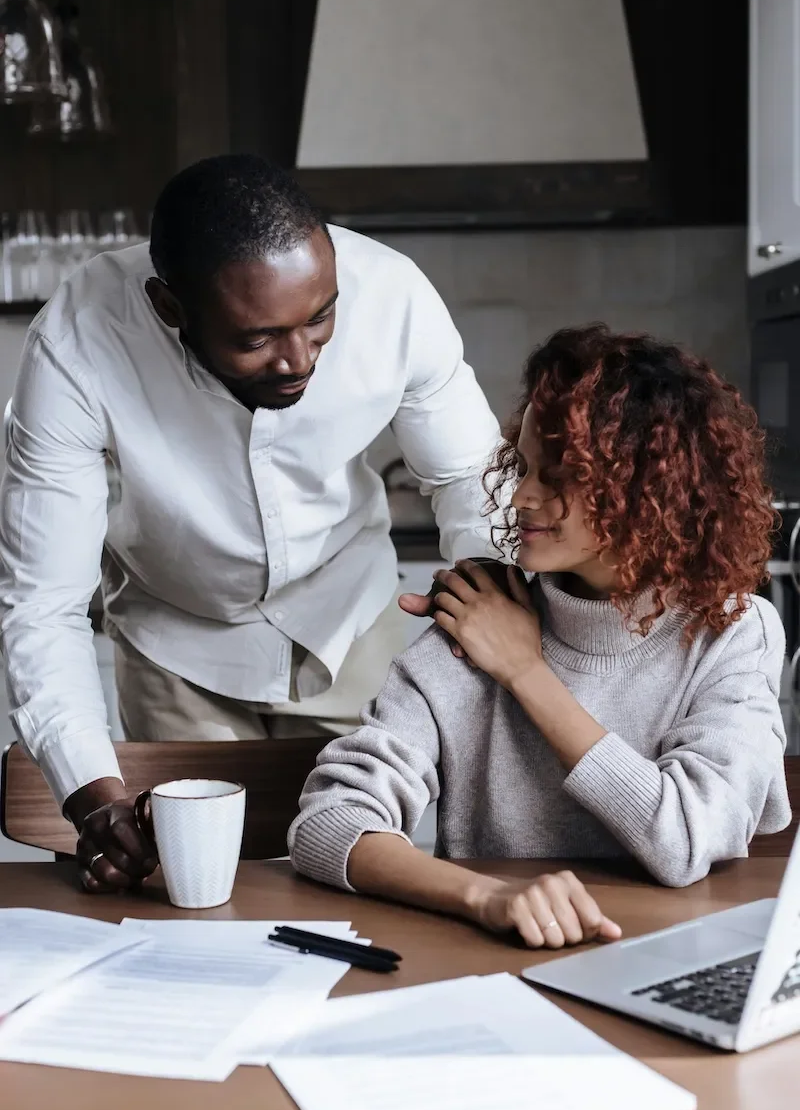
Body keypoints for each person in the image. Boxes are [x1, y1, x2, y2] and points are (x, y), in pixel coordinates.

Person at [0, 154, 500, 893]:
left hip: (350, 624)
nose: (300, 357)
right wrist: (89, 791)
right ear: (171, 308)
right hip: (180, 645)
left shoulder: (394, 297)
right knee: (196, 894)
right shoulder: (77, 344)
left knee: (361, 875)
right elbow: (43, 602)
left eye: (321, 317)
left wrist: (493, 606)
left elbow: (469, 479)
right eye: (257, 338)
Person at [289, 324, 791, 949]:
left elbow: (685, 838)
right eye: (525, 466)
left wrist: (527, 673)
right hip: (499, 961)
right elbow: (330, 823)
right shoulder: (480, 617)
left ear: (644, 491)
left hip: (679, 953)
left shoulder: (731, 632)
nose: (523, 496)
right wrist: (486, 896)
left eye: (558, 477)